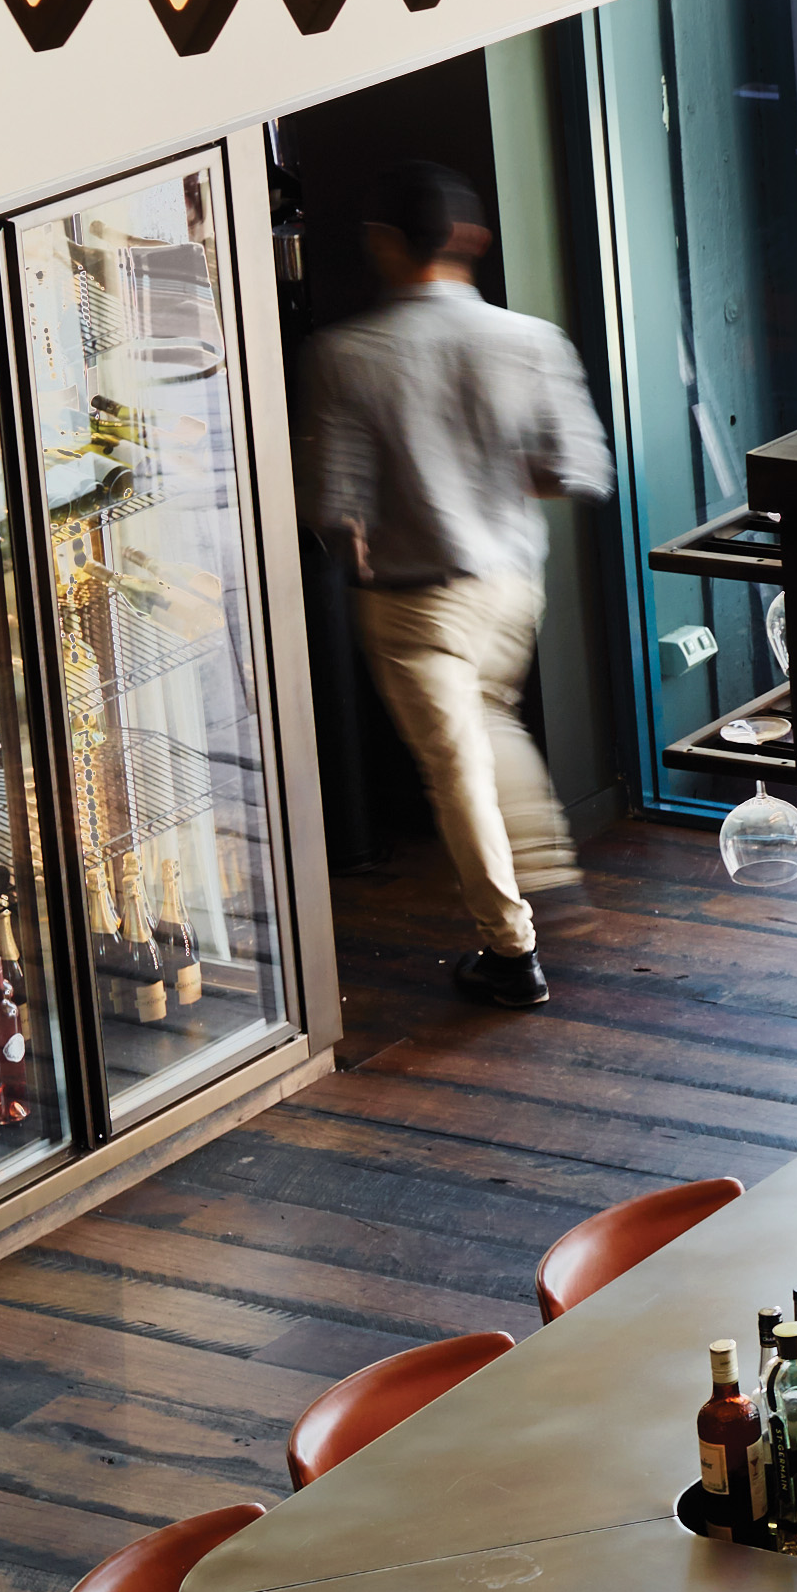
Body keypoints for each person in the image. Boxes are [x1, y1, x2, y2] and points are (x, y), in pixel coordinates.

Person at [301, 164, 608, 1013]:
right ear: (470, 242)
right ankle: (542, 857)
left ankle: (512, 949)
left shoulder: (344, 356)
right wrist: (487, 473)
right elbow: (576, 468)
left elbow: (333, 505)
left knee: (455, 767)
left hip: (413, 599)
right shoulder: (532, 339)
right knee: (486, 724)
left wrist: (370, 538)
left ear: (387, 246)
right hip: (511, 584)